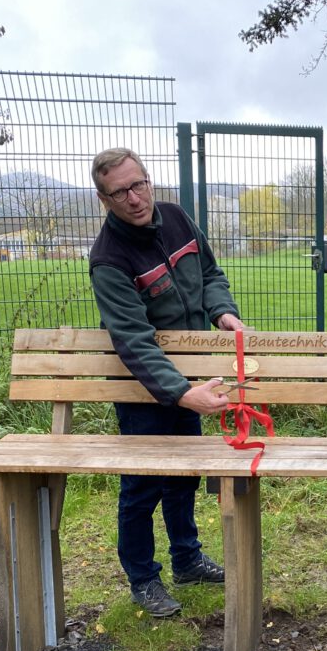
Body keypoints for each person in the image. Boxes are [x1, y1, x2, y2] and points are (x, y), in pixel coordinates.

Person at [89, 147, 244, 618]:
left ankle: (187, 559)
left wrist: (223, 311)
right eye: (120, 193)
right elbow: (133, 341)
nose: (135, 199)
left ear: (149, 180)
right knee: (142, 486)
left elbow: (211, 274)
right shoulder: (109, 259)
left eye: (139, 185)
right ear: (104, 200)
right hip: (143, 389)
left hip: (191, 376)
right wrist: (181, 393)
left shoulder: (177, 218)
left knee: (184, 477)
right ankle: (143, 578)